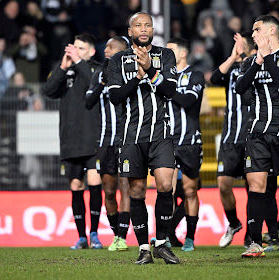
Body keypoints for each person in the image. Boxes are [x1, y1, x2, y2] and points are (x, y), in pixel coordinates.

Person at [107, 12, 180, 264]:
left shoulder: (165, 55)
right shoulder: (117, 60)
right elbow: (115, 97)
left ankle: (161, 243)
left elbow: (170, 90)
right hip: (131, 135)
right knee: (137, 190)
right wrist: (138, 78)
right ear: (130, 31)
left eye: (147, 24)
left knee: (165, 186)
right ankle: (143, 248)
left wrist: (150, 69)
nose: (143, 28)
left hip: (160, 134)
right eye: (138, 25)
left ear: (153, 28)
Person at [235, 15, 279, 258]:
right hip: (257, 133)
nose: (252, 34)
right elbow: (239, 88)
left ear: (272, 30)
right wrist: (257, 61)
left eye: (257, 29)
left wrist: (268, 58)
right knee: (256, 186)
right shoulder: (252, 61)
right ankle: (255, 243)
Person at [43, 33, 103, 249]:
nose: (76, 52)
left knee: (95, 184)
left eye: (81, 49)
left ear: (91, 51)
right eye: (74, 48)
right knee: (76, 187)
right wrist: (62, 67)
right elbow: (48, 91)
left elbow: (93, 84)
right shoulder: (65, 69)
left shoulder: (97, 68)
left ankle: (95, 233)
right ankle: (81, 237)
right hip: (70, 139)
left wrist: (78, 62)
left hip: (93, 138)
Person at [85, 36, 131, 252]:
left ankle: (122, 236)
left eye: (112, 46)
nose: (107, 49)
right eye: (107, 46)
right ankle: (116, 234)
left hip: (127, 138)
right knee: (109, 191)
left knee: (126, 187)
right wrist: (102, 83)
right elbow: (88, 102)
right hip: (105, 141)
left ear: (124, 50)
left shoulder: (131, 72)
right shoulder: (99, 74)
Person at [210, 32, 255, 249]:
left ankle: (251, 235)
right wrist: (231, 57)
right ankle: (234, 223)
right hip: (230, 137)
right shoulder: (232, 70)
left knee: (252, 187)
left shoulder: (257, 66)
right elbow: (214, 78)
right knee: (224, 185)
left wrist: (245, 54)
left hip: (252, 137)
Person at [166, 37, 205, 252]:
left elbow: (188, 101)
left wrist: (164, 86)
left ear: (182, 53)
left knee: (190, 190)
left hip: (189, 140)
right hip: (166, 142)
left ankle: (190, 237)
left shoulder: (195, 75)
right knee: (166, 190)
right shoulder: (163, 76)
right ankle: (167, 235)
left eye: (170, 50)